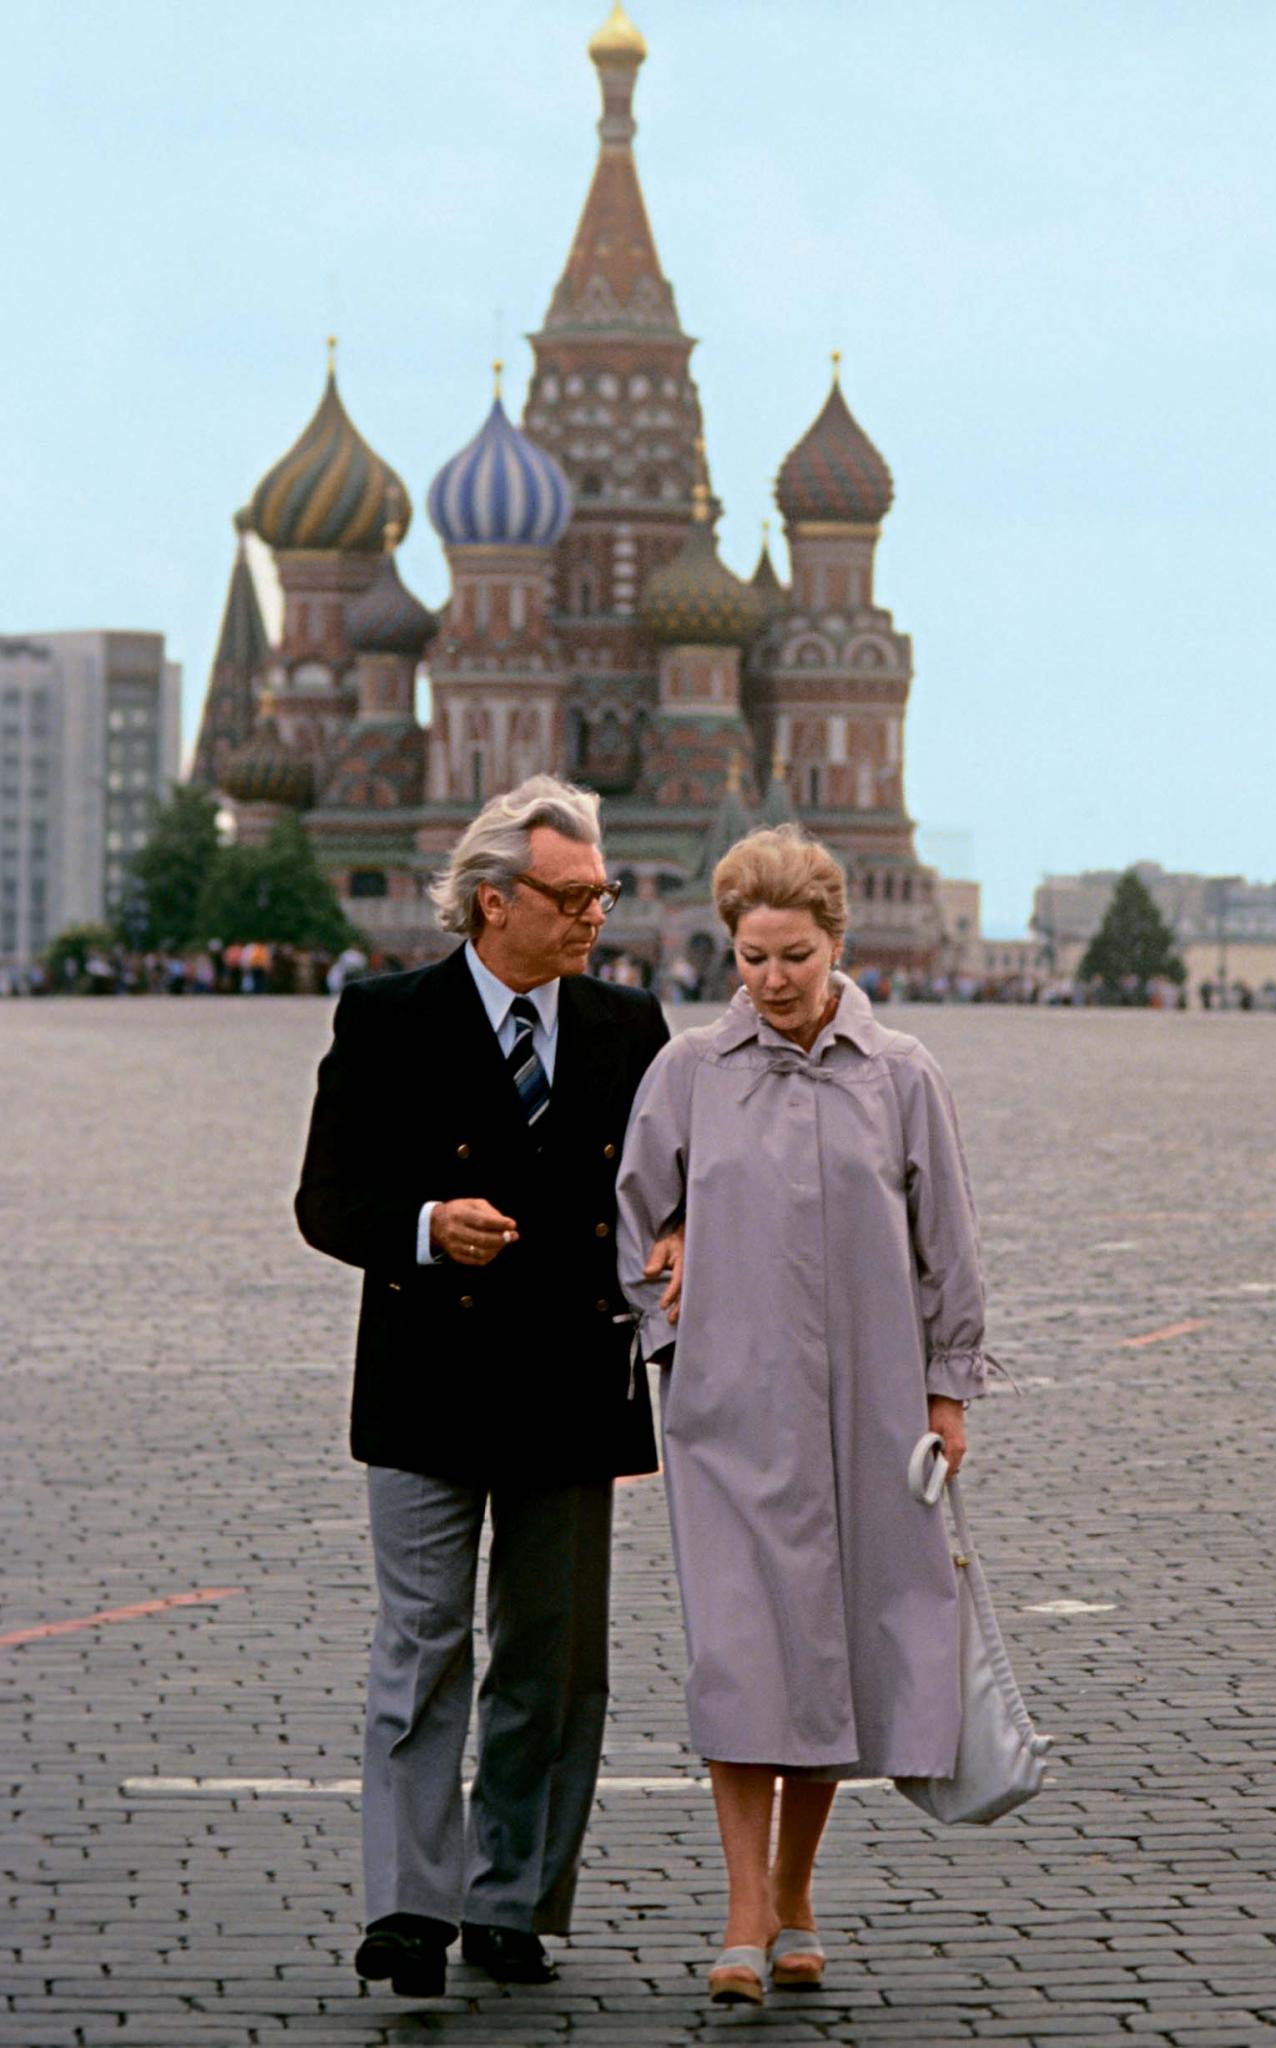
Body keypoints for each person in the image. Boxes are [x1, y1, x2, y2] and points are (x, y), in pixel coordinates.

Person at [295, 776, 678, 1999]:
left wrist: (678, 1237)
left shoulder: (630, 1023)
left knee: (549, 1658)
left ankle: (512, 1899)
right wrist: (424, 1225)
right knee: (423, 1643)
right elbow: (326, 1200)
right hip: (429, 1379)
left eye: (602, 894)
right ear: (491, 900)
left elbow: (670, 1186)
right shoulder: (386, 1015)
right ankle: (411, 1905)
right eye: (572, 897)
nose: (595, 916)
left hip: (571, 1378)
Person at [617, 824, 993, 2008]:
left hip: (871, 1407)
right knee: (741, 1652)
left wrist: (948, 1388)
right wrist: (678, 1329)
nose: (772, 979)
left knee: (828, 1644)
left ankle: (795, 1889)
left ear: (838, 945)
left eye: (794, 955)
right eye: (752, 956)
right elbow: (634, 1222)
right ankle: (743, 1908)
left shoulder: (902, 1074)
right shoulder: (690, 1069)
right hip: (729, 1414)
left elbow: (949, 1245)